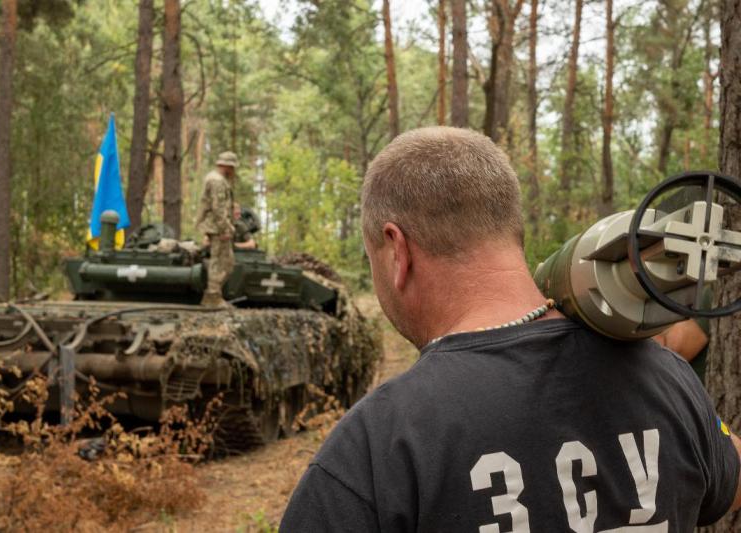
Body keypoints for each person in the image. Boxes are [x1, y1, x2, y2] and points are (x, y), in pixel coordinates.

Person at [280, 127, 741, 531]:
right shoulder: (671, 384)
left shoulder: (379, 446)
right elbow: (728, 474)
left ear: (396, 250)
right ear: (509, 228)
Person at [197, 151, 237, 308]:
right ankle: (212, 297)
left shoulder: (215, 179)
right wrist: (224, 229)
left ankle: (214, 295)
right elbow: (218, 208)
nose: (233, 171)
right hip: (217, 227)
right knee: (220, 261)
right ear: (227, 166)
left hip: (216, 226)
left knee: (226, 262)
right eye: (232, 168)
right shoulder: (217, 181)